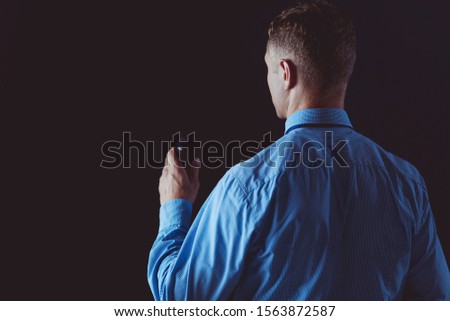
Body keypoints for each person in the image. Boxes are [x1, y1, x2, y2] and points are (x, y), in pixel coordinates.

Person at [148, 0, 450, 300]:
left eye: (268, 69)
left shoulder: (248, 186)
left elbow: (179, 303)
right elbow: (440, 301)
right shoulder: (406, 183)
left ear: (285, 72)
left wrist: (175, 207)